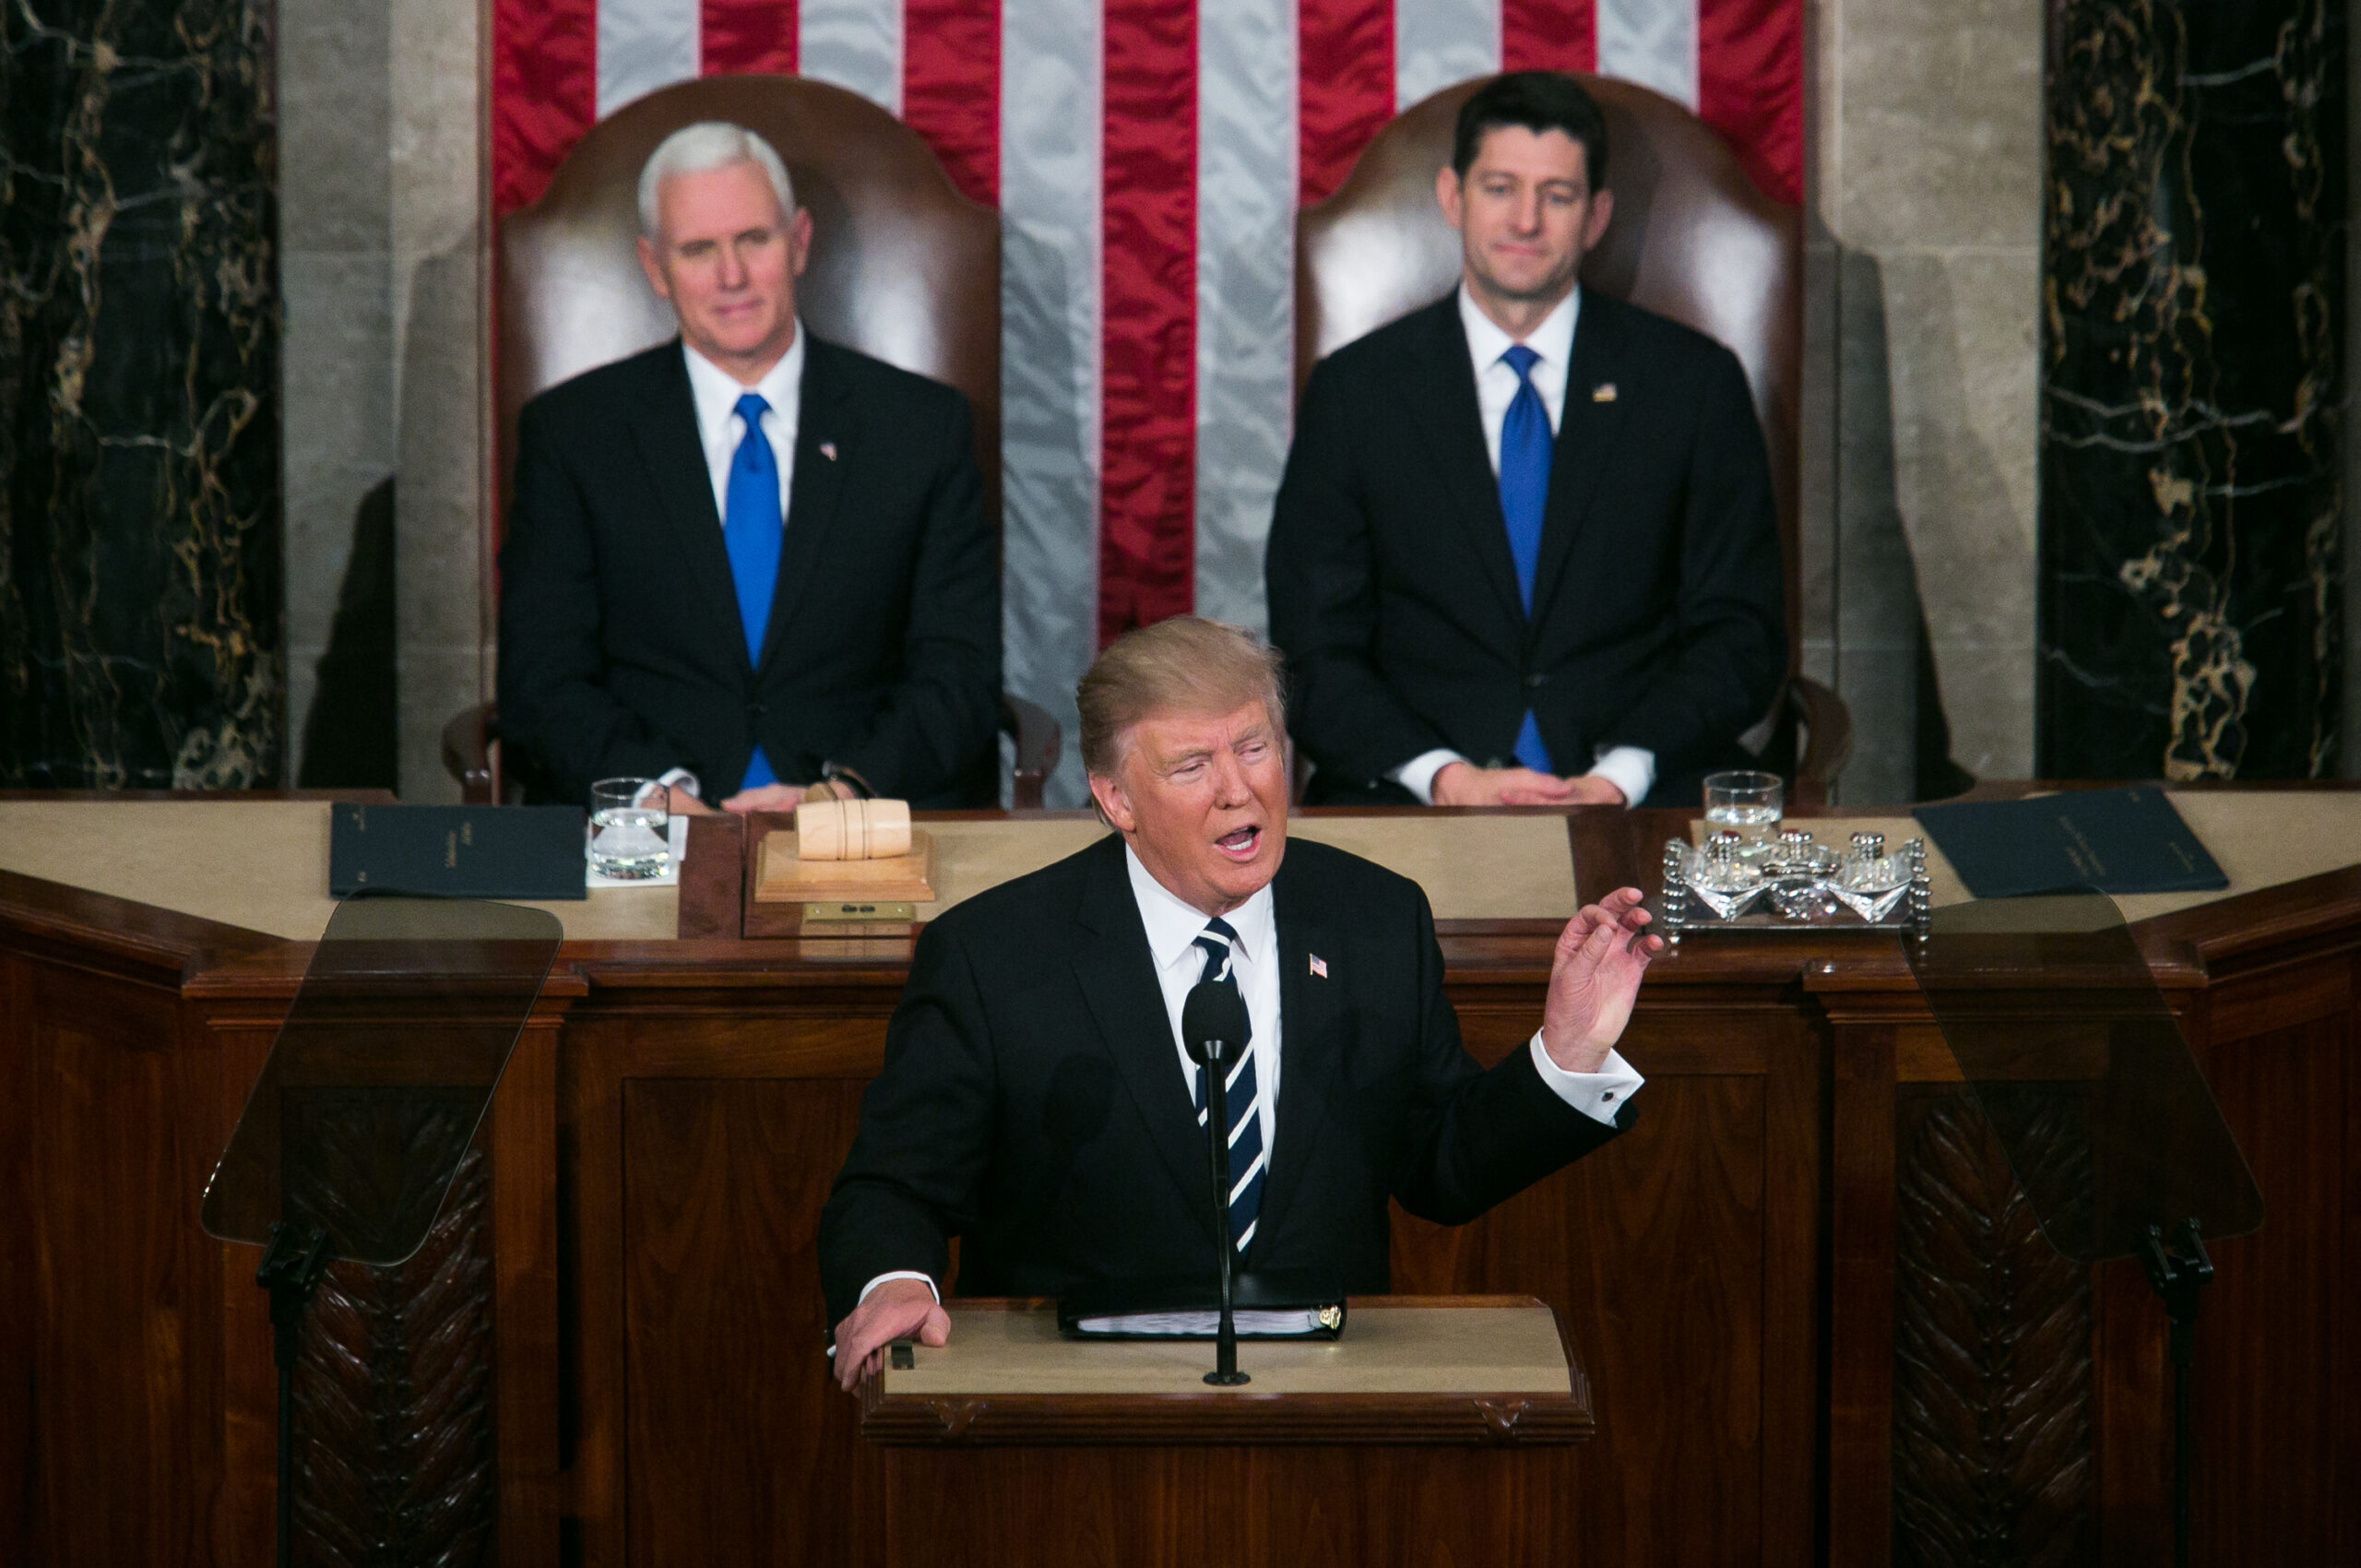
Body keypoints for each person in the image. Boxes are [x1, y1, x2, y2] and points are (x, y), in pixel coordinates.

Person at [822, 616, 1659, 1389]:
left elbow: (1440, 1164)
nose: (1239, 790)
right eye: (1193, 765)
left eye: (1254, 748)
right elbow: (893, 1185)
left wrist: (1568, 1054)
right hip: (1076, 1421)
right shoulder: (994, 955)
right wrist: (893, 1279)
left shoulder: (1375, 920)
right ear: (1116, 797)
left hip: (1326, 1415)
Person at [1266, 70, 1786, 811]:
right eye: (1501, 188)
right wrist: (1443, 775)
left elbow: (1742, 636)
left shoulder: (1694, 385)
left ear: (1597, 216)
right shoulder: (1356, 393)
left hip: (1645, 792)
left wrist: (1624, 774)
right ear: (1453, 198)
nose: (1526, 220)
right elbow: (1314, 649)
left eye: (1558, 195)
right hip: (1411, 796)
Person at [497, 121, 1001, 812]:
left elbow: (959, 672)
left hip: (859, 826)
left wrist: (846, 791)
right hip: (648, 830)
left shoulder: (919, 427)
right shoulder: (574, 434)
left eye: (752, 240)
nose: (730, 276)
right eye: (699, 249)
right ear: (654, 268)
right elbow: (542, 679)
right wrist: (656, 794)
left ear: (798, 243)